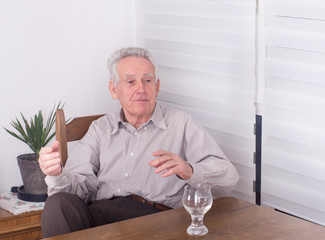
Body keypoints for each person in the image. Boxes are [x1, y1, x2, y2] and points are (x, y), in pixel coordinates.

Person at [38, 47, 239, 237]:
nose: (141, 89)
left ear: (157, 87)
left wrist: (190, 170)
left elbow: (228, 177)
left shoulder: (181, 123)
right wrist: (56, 175)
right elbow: (79, 190)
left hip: (157, 219)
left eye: (148, 80)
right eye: (131, 82)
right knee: (58, 203)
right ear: (114, 90)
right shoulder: (101, 128)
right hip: (102, 216)